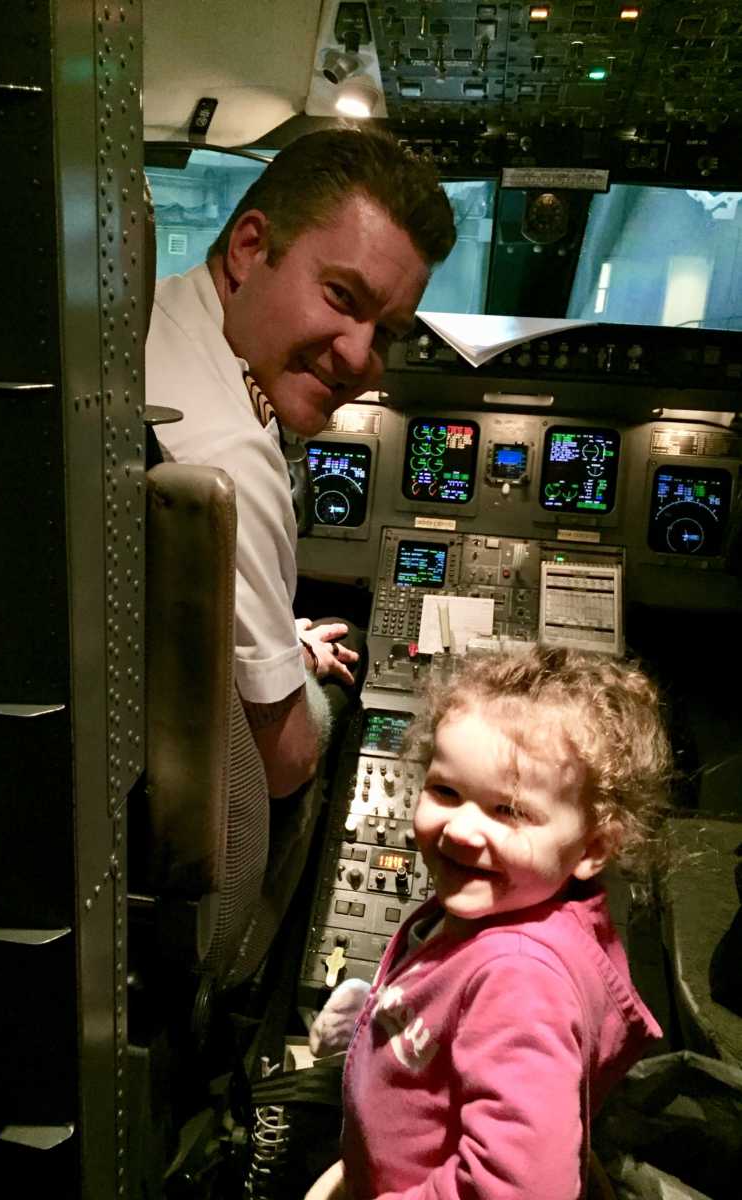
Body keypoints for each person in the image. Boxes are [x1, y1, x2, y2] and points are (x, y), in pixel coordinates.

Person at [146, 129, 456, 797]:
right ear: (250, 248)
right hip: (192, 833)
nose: (359, 359)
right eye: (342, 297)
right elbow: (284, 767)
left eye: (389, 333)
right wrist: (298, 670)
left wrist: (276, 643)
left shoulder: (155, 315)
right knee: (355, 677)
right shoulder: (230, 461)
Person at [306, 646, 673, 1200]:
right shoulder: (515, 904)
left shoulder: (521, 985)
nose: (459, 830)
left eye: (509, 811)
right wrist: (376, 1010)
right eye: (446, 792)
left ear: (593, 847)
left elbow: (521, 1188)